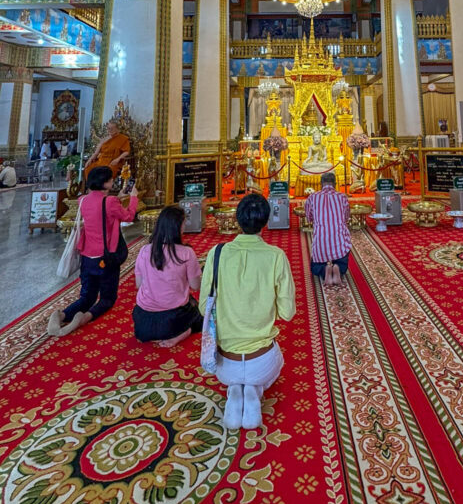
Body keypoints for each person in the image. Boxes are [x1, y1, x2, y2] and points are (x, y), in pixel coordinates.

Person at [199, 193, 295, 430]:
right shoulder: (276, 257)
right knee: (273, 361)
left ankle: (235, 389)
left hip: (224, 361)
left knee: (235, 374)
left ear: (237, 218)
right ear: (266, 221)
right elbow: (288, 313)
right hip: (261, 361)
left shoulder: (216, 253)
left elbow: (204, 307)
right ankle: (254, 389)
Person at [47, 166, 137, 337]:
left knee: (86, 297)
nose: (113, 182)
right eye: (111, 179)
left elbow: (101, 210)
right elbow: (128, 216)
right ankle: (85, 318)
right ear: (105, 183)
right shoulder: (110, 202)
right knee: (107, 299)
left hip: (87, 257)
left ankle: (62, 315)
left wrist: (117, 199)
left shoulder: (82, 200)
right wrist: (133, 198)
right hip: (106, 256)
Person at [133, 205, 203, 348]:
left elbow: (139, 285)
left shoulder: (144, 250)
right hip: (173, 320)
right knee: (202, 315)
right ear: (179, 227)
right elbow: (196, 286)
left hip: (143, 323)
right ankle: (184, 332)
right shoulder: (186, 253)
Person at [305, 171, 351, 288]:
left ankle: (324, 269)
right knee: (343, 252)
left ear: (321, 184)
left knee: (314, 267)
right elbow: (346, 217)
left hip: (320, 240)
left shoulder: (312, 197)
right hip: (340, 240)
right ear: (335, 184)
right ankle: (338, 268)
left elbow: (309, 218)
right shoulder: (342, 197)